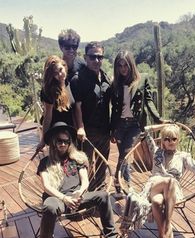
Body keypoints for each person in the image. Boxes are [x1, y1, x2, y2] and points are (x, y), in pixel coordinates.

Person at [37, 122, 125, 238]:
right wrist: (64, 198)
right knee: (49, 206)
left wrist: (80, 192)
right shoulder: (45, 162)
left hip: (78, 196)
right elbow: (46, 186)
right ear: (54, 143)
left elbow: (85, 181)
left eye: (66, 141)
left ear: (70, 142)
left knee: (104, 196)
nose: (63, 144)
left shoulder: (77, 159)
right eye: (59, 141)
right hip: (58, 198)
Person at [140, 124, 195, 238]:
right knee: (169, 181)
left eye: (174, 139)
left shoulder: (184, 156)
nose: (170, 142)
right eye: (167, 139)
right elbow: (146, 130)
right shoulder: (156, 151)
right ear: (162, 140)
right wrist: (166, 124)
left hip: (172, 193)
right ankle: (168, 227)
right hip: (155, 185)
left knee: (157, 201)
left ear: (178, 139)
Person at [110, 50, 168, 193]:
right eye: (120, 65)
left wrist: (158, 118)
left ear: (131, 65)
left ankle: (121, 183)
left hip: (135, 125)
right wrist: (111, 129)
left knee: (125, 154)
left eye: (126, 65)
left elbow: (148, 100)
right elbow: (113, 108)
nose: (123, 69)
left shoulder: (142, 80)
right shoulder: (115, 82)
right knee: (123, 156)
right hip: (119, 125)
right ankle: (124, 184)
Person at [70, 41, 111, 187]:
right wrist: (80, 127)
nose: (96, 60)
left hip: (105, 131)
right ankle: (83, 195)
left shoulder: (106, 77)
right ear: (85, 57)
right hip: (87, 132)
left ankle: (99, 193)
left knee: (102, 165)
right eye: (92, 57)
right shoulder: (77, 79)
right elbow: (77, 106)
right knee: (84, 165)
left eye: (100, 57)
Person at [37, 55, 76, 150]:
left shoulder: (68, 83)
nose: (60, 74)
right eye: (55, 73)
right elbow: (47, 117)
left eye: (60, 69)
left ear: (64, 66)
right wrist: (43, 140)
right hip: (56, 132)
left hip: (69, 130)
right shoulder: (49, 90)